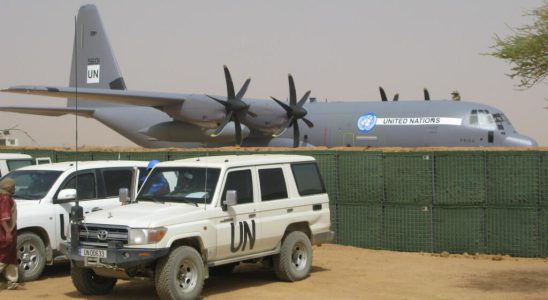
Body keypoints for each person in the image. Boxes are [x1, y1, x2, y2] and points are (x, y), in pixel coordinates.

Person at [0, 178, 18, 290]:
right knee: (3, 257)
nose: (15, 188)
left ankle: (12, 281)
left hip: (9, 232)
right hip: (5, 233)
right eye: (13, 187)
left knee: (11, 257)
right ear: (9, 188)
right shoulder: (6, 199)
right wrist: (8, 232)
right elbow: (3, 218)